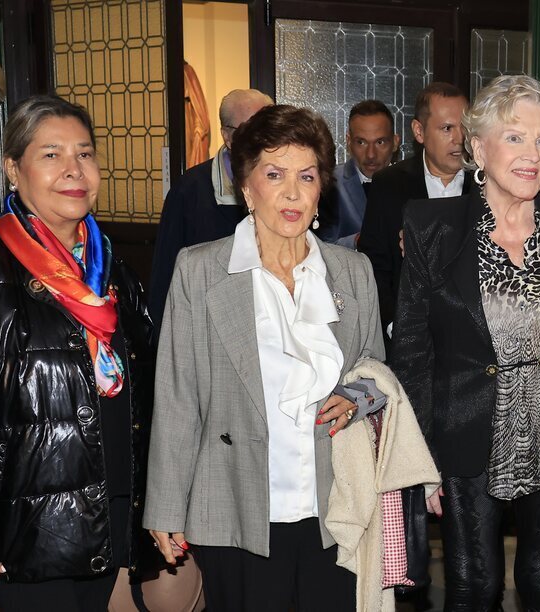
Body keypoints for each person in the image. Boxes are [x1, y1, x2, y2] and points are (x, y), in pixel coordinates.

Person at [0, 95, 201, 611]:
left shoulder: (112, 266)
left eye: (85, 154)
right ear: (13, 170)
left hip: (105, 512)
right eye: (51, 155)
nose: (74, 170)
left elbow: (155, 390)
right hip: (27, 528)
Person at [143, 104, 385, 612]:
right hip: (235, 505)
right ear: (247, 188)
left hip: (333, 507)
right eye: (274, 175)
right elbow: (178, 395)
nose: (292, 193)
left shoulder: (352, 272)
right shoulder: (200, 271)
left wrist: (358, 395)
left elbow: (374, 368)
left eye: (307, 176)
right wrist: (165, 505)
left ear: (322, 188)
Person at [393, 75, 540, 610]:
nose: (532, 154)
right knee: (473, 583)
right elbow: (414, 353)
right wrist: (416, 457)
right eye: (515, 137)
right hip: (468, 432)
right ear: (477, 146)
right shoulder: (431, 226)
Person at [357, 82, 475, 353]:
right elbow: (374, 264)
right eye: (447, 128)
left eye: (464, 127)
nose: (460, 138)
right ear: (419, 132)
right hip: (407, 340)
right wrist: (394, 326)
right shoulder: (389, 184)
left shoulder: (486, 183)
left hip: (471, 343)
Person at [148, 88, 273, 327]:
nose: (263, 139)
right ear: (227, 137)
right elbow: (165, 275)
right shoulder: (190, 190)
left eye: (268, 128)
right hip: (206, 322)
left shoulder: (282, 186)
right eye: (251, 130)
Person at [318, 99, 400, 248]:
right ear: (349, 142)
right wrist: (358, 241)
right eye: (361, 142)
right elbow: (318, 247)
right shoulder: (328, 183)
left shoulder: (410, 183)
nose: (370, 155)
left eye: (380, 142)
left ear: (395, 143)